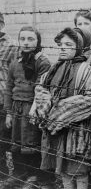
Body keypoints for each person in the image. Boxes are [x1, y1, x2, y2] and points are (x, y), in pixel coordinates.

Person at [29, 27, 91, 189]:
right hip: (55, 131)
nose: (63, 47)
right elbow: (41, 88)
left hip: (77, 131)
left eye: (68, 44)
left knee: (78, 171)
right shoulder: (53, 70)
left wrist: (62, 111)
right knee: (62, 170)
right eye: (61, 44)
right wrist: (45, 106)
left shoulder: (87, 71)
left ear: (78, 47)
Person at [3, 26, 51, 188]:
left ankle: (35, 176)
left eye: (30, 39)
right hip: (17, 108)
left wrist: (35, 111)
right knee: (17, 141)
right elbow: (9, 88)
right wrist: (9, 112)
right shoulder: (15, 63)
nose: (26, 43)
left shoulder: (42, 62)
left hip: (33, 109)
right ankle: (19, 173)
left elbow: (42, 88)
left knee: (32, 141)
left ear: (38, 41)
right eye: (22, 39)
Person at [0, 12, 18, 181]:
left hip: (3, 99)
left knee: (5, 139)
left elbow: (16, 74)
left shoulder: (12, 46)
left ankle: (7, 174)